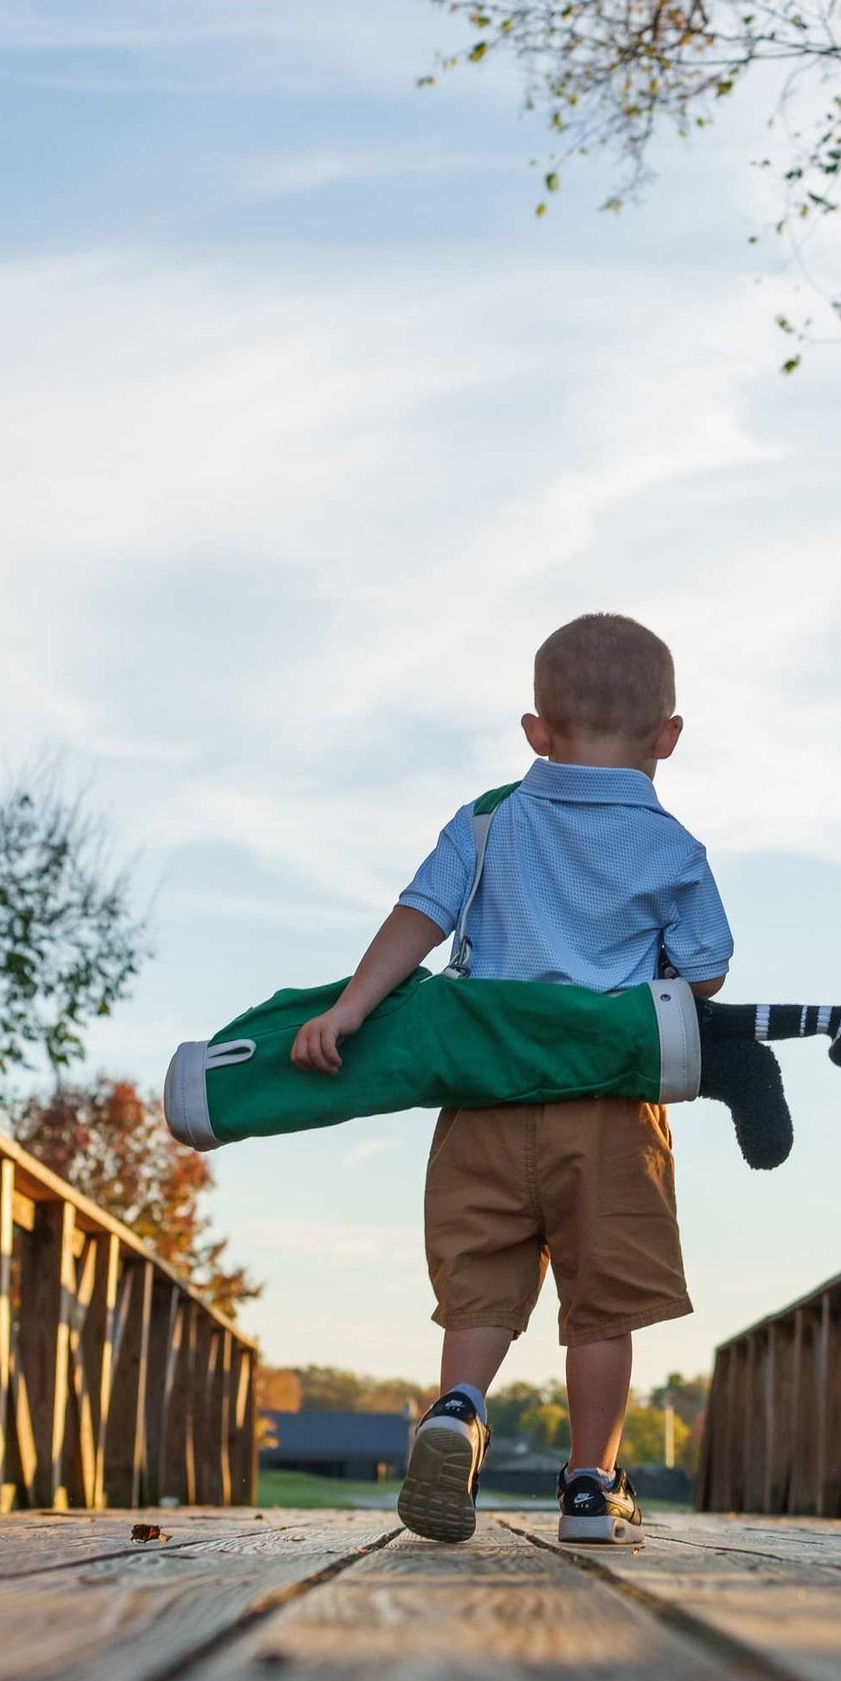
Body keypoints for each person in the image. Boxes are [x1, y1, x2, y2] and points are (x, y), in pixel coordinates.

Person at [289, 612, 725, 1549]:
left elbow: (419, 918)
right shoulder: (675, 851)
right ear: (668, 738)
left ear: (535, 730)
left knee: (483, 1281)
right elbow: (705, 973)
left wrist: (352, 1008)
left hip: (486, 1093)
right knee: (604, 1303)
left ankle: (457, 1407)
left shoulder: (487, 822)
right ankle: (589, 1483)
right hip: (610, 1105)